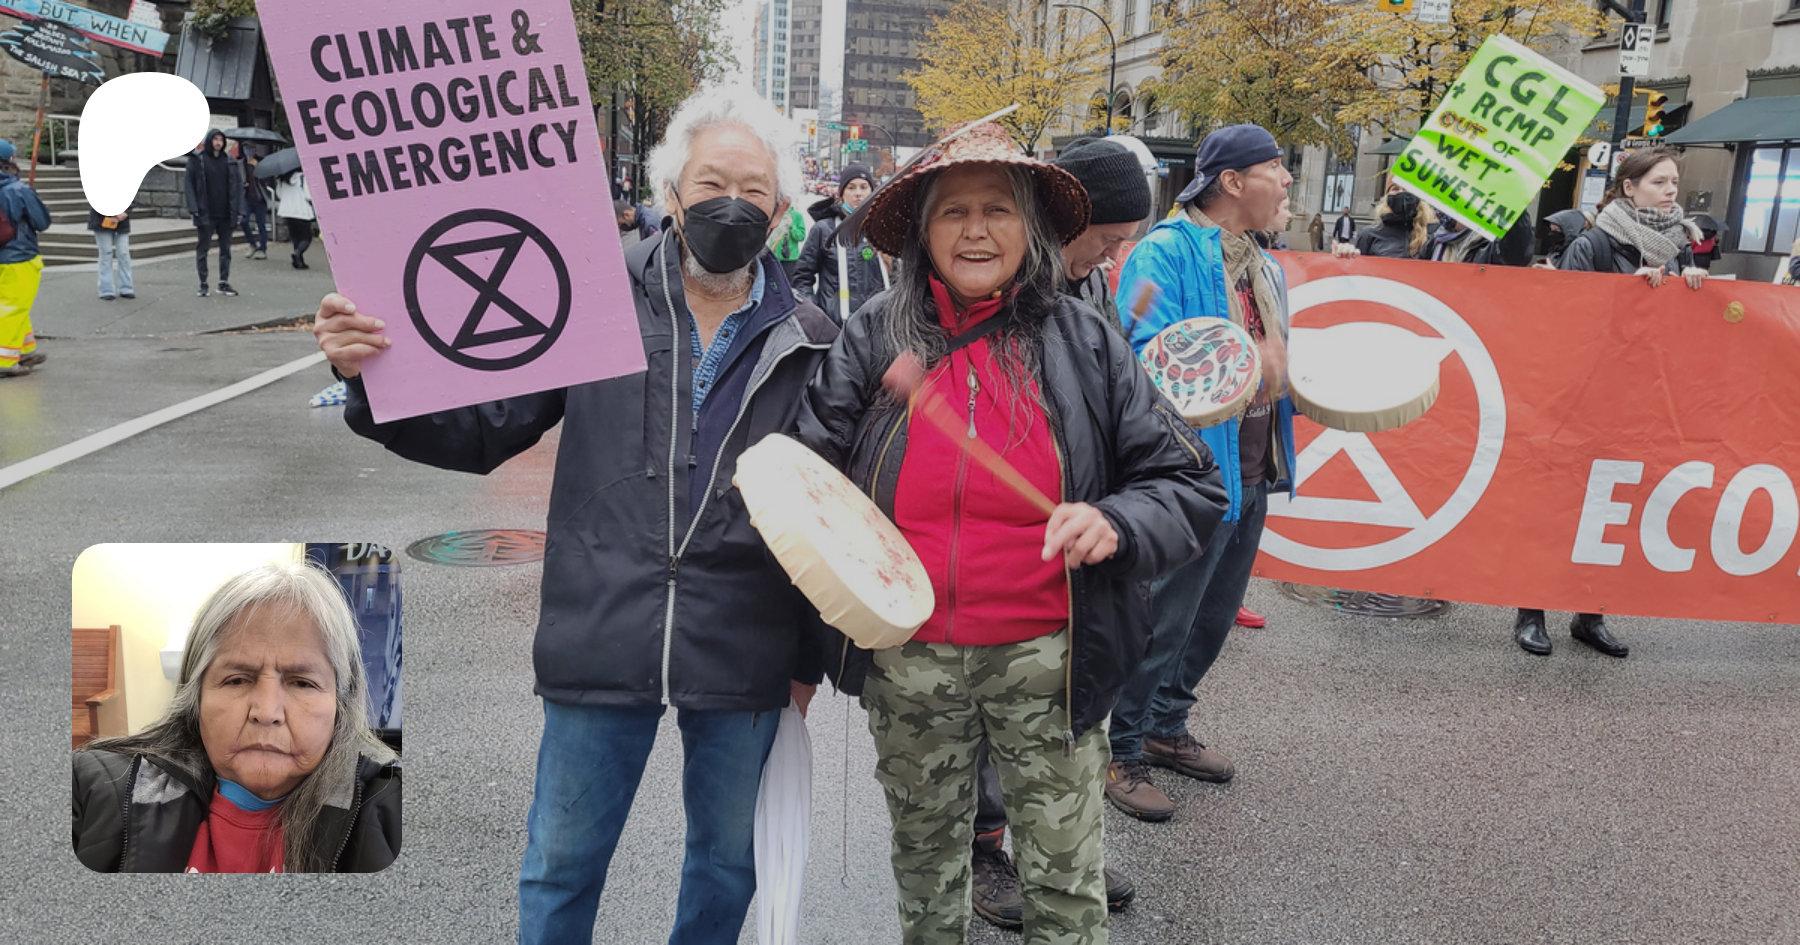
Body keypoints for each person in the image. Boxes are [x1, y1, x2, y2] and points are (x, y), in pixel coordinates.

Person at [313, 84, 835, 944]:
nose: (731, 205)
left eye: (754, 191)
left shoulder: (812, 337)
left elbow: (826, 514)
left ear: (780, 213)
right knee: (560, 866)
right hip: (602, 629)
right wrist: (368, 375)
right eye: (711, 184)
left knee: (726, 865)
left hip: (746, 645)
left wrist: (808, 659)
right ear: (671, 193)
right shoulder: (591, 298)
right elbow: (488, 423)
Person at [797, 120, 1226, 945]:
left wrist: (1114, 518)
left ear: (1029, 227)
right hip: (908, 657)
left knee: (1064, 882)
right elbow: (809, 472)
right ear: (923, 232)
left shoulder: (1087, 341)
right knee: (927, 872)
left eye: (997, 209)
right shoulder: (876, 333)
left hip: (1050, 662)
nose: (976, 230)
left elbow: (1188, 481)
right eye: (953, 211)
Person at [961, 135, 1152, 930]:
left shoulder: (1091, 283)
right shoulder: (1003, 286)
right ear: (1068, 219)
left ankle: (1057, 846)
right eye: (1107, 237)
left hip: (1080, 535)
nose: (1115, 253)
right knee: (994, 706)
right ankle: (982, 844)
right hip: (1005, 542)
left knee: (1069, 701)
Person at [1107, 124, 1298, 823]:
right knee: (1163, 619)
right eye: (1275, 166)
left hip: (1252, 462)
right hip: (1191, 470)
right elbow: (1137, 355)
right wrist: (1246, 358)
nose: (1286, 179)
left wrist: (1284, 374)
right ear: (1232, 181)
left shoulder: (1264, 265)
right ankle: (1120, 748)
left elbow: (1275, 363)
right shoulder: (1163, 251)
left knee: (1213, 618)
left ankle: (1166, 724)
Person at [72, 562, 400, 872]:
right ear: (195, 697)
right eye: (237, 680)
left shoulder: (390, 805)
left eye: (302, 683)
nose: (267, 713)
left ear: (340, 705)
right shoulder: (94, 788)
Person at [1524, 146, 1705, 659]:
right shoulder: (1593, 244)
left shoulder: (1679, 247)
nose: (1670, 191)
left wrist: (1693, 295)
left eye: (1674, 183)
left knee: (1611, 509)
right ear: (1629, 187)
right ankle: (1531, 610)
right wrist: (1628, 298)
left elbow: (1679, 338)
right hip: (1581, 399)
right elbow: (1568, 323)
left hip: (1637, 402)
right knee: (1558, 507)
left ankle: (1591, 613)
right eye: (1658, 182)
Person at [793, 162, 890, 322]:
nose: (858, 193)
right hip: (835, 328)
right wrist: (815, 315)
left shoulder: (883, 229)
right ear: (842, 194)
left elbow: (898, 280)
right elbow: (802, 277)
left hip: (878, 327)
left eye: (863, 187)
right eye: (851, 187)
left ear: (872, 191)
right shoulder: (824, 230)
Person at [0, 138, 51, 378]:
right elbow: (42, 222)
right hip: (19, 256)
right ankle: (5, 360)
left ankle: (25, 350)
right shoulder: (18, 190)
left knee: (13, 305)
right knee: (13, 307)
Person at [185, 129, 244, 297]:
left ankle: (223, 282)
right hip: (206, 212)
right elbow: (189, 185)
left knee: (225, 250)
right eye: (215, 139)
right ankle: (203, 283)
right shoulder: (198, 160)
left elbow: (238, 186)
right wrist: (194, 208)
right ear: (209, 141)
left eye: (221, 140)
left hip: (226, 213)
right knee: (203, 249)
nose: (218, 143)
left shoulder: (230, 162)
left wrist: (240, 210)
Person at [1344, 190, 1429, 259]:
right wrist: (1345, 255)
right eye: (1395, 188)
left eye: (1406, 188)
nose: (1401, 192)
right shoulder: (1368, 234)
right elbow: (1356, 270)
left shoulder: (1430, 238)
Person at [89, 200, 135, 301]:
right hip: (101, 220)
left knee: (123, 253)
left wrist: (125, 211)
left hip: (121, 222)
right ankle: (106, 289)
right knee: (106, 254)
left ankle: (126, 287)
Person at [273, 168, 315, 270]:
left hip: (288, 211)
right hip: (302, 211)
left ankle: (299, 262)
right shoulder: (302, 178)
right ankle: (298, 253)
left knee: (295, 237)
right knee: (306, 237)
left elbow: (279, 194)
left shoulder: (282, 179)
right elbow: (308, 195)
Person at [241, 144, 271, 260]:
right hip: (246, 197)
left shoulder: (261, 162)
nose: (248, 151)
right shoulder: (241, 163)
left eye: (251, 148)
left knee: (261, 224)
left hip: (259, 198)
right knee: (243, 221)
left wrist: (258, 168)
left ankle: (263, 249)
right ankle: (252, 244)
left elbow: (268, 179)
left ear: (255, 150)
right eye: (246, 147)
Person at [771, 202, 808, 281]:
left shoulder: (797, 216)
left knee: (789, 284)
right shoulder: (774, 213)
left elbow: (801, 236)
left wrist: (792, 226)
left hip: (791, 260)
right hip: (774, 257)